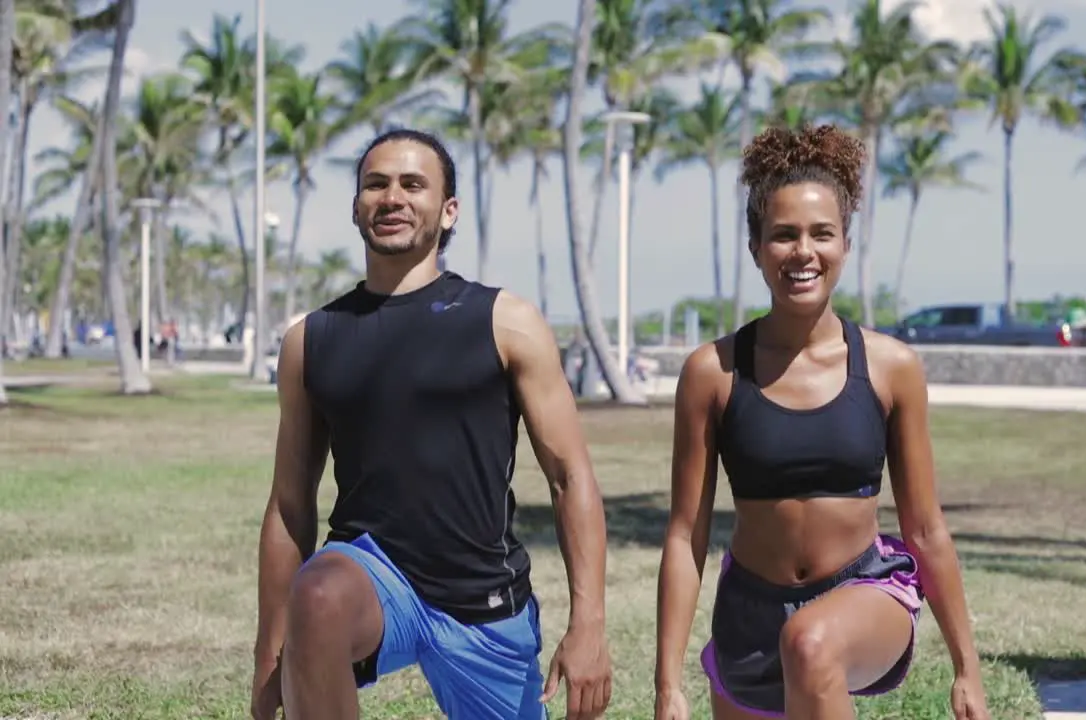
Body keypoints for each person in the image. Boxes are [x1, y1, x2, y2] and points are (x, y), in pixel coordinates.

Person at [250, 128, 613, 720]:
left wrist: (589, 624)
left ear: (448, 212)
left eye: (412, 184)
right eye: (376, 183)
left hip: (482, 599)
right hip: (370, 574)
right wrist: (270, 654)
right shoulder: (310, 341)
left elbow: (571, 477)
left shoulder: (505, 321)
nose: (392, 197)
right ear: (356, 207)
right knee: (316, 597)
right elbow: (289, 504)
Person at [653, 124, 990, 720]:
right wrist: (667, 681)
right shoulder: (714, 372)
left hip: (864, 594)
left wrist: (967, 667)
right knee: (797, 644)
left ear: (845, 246)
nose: (803, 251)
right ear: (757, 247)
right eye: (783, 235)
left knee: (810, 644)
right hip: (750, 612)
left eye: (821, 234)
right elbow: (686, 535)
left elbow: (926, 527)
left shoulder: (891, 369)